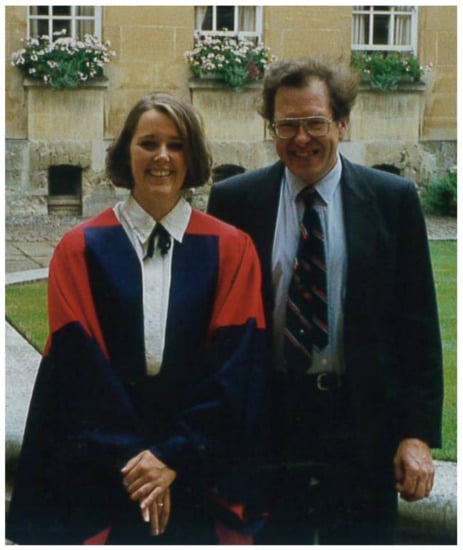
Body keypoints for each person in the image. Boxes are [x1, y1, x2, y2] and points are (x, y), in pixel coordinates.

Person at [6, 93, 266, 545]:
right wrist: (140, 464)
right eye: (148, 143)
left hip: (198, 464)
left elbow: (235, 367)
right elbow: (79, 367)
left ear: (193, 156)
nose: (162, 156)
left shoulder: (232, 249)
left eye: (176, 144)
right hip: (102, 467)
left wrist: (171, 458)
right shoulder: (79, 249)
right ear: (126, 153)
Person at [207, 57, 443, 545]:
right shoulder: (235, 201)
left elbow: (418, 326)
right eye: (286, 125)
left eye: (315, 122)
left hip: (362, 422)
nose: (301, 139)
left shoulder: (392, 200)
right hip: (270, 419)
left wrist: (417, 435)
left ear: (342, 123)